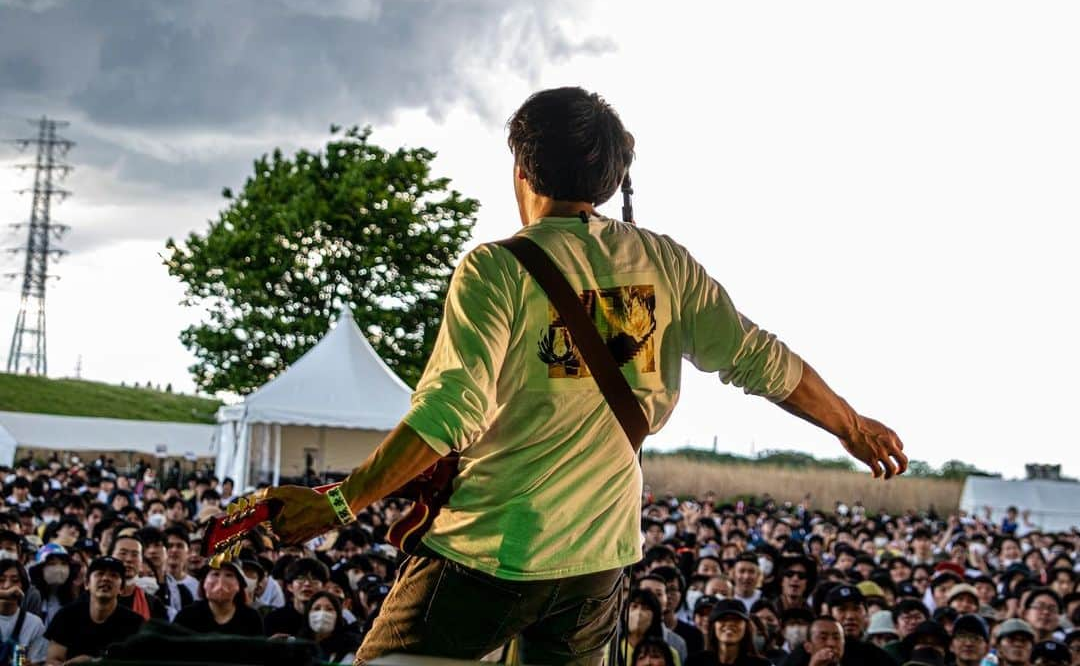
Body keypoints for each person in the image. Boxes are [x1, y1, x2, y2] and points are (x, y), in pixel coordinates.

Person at [265, 86, 909, 665]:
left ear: (520, 167)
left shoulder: (495, 268)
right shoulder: (664, 261)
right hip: (599, 565)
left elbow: (449, 413)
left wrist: (338, 502)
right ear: (611, 176)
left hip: (488, 556)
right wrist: (849, 425)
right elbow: (756, 356)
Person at [44, 557, 143, 664]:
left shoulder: (135, 624)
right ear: (87, 584)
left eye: (114, 575)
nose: (106, 578)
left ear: (122, 589)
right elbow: (52, 660)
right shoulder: (66, 616)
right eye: (99, 573)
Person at [173, 562, 262, 636]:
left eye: (229, 575)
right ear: (204, 583)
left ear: (239, 585)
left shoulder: (251, 619)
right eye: (215, 574)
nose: (221, 581)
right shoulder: (187, 616)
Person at [685, 599, 769, 666]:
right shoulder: (695, 662)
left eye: (736, 619)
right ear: (713, 626)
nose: (729, 624)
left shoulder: (762, 664)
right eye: (723, 619)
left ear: (746, 627)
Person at [263, 557, 328, 637]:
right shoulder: (273, 619)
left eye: (314, 579)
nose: (307, 584)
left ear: (324, 587)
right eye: (300, 578)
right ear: (290, 586)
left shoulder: (329, 619)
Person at [0, 558, 48, 665]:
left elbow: (38, 661)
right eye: (1, 580)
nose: (7, 586)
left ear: (23, 586)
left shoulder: (34, 624)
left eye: (15, 580)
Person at [296, 591, 361, 664]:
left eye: (329, 609)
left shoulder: (349, 647)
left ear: (338, 616)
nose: (322, 613)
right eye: (317, 608)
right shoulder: (298, 645)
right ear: (308, 614)